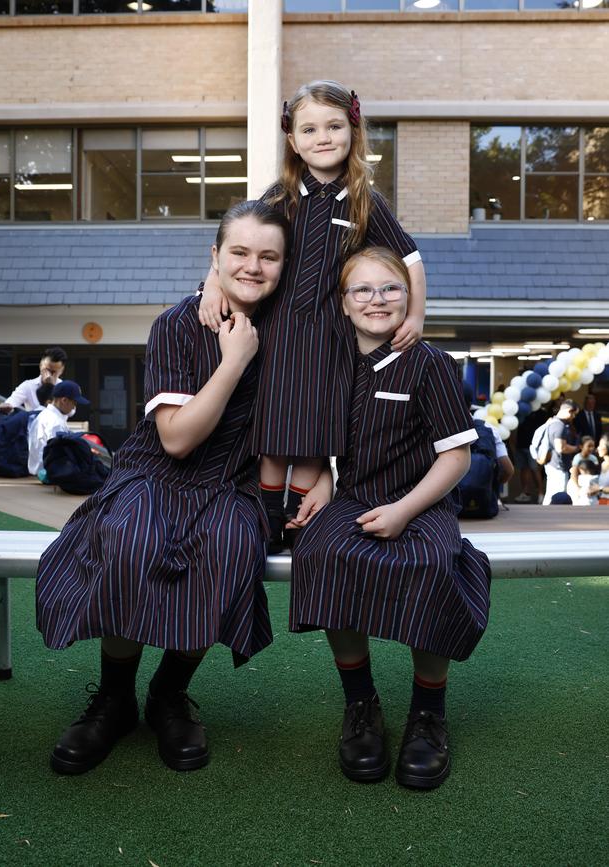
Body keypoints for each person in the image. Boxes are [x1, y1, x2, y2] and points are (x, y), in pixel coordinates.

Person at [35, 201, 290, 777]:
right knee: (130, 538)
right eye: (239, 253)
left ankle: (169, 693)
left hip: (232, 480)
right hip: (155, 470)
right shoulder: (178, 323)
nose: (253, 266)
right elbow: (175, 439)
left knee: (224, 546)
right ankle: (116, 697)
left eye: (269, 256)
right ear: (215, 258)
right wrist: (233, 362)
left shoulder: (292, 330)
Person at [291, 248, 491, 790]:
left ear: (409, 297)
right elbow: (323, 440)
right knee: (322, 551)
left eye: (390, 289)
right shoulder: (330, 365)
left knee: (428, 564)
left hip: (422, 504)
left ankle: (429, 713)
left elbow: (457, 458)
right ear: (343, 302)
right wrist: (326, 480)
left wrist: (404, 511)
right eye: (363, 290)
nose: (376, 300)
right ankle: (361, 705)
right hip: (354, 497)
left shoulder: (432, 364)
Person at [199, 80, 427, 552]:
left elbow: (410, 260)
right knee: (275, 436)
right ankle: (265, 523)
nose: (322, 137)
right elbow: (241, 239)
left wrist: (416, 317)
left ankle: (299, 526)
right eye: (309, 128)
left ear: (353, 130)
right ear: (293, 139)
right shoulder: (281, 195)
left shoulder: (366, 199)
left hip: (330, 339)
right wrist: (213, 283)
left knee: (313, 438)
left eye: (334, 126)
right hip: (279, 334)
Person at [27, 380, 89, 477]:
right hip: (49, 473)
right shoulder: (55, 422)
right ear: (64, 400)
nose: (74, 407)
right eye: (74, 402)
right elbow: (57, 455)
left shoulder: (45, 415)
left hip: (40, 470)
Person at [0, 346, 68, 414]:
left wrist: (50, 386)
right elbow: (13, 401)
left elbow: (70, 412)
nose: (49, 374)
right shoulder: (28, 386)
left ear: (61, 371)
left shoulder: (65, 387)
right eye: (46, 370)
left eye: (53, 372)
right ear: (40, 366)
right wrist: (6, 406)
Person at [542, 400, 580, 505]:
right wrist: (576, 448)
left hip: (554, 466)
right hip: (558, 467)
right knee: (558, 498)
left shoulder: (553, 422)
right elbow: (561, 447)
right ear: (569, 411)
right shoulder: (559, 425)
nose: (574, 417)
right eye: (574, 414)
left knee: (551, 495)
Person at [514, 407, 548, 503]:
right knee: (524, 469)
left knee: (535, 469)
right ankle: (525, 493)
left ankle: (541, 494)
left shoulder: (541, 412)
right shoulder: (521, 409)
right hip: (521, 444)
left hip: (533, 445)